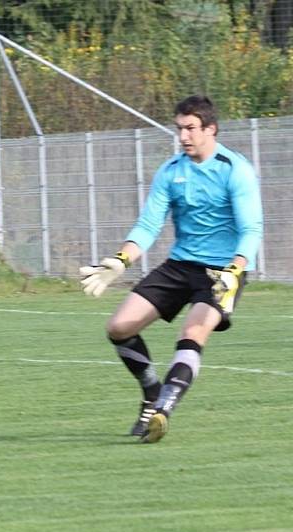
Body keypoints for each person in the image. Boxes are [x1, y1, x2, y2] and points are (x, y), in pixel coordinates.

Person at [79, 95, 263, 443]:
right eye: (179, 129)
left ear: (211, 129)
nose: (183, 136)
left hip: (222, 273)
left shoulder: (234, 169)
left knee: (192, 334)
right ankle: (152, 390)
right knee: (119, 327)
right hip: (180, 265)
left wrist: (235, 270)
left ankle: (162, 409)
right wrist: (120, 261)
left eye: (191, 129)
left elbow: (251, 229)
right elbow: (148, 226)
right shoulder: (171, 171)